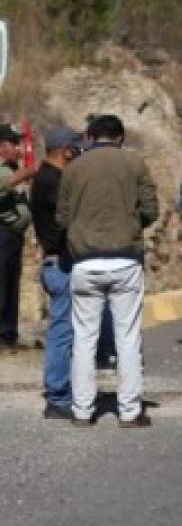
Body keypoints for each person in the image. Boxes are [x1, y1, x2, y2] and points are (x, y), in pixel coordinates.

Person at [56, 115, 159, 426]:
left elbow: (62, 217)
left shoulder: (73, 168)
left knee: (84, 339)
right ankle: (129, 411)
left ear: (89, 136)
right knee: (127, 338)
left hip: (85, 261)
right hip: (125, 259)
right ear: (121, 137)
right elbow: (151, 211)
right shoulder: (136, 164)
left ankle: (82, 411)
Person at [30, 127, 83, 418]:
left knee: (67, 332)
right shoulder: (52, 181)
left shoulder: (48, 178)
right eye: (76, 148)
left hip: (60, 263)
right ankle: (58, 396)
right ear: (66, 150)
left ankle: (65, 392)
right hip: (60, 265)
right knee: (62, 333)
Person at [0, 124, 35, 351]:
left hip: (14, 236)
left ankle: (9, 333)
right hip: (2, 232)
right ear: (2, 146)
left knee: (12, 285)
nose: (18, 148)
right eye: (14, 144)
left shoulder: (13, 167)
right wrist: (25, 173)